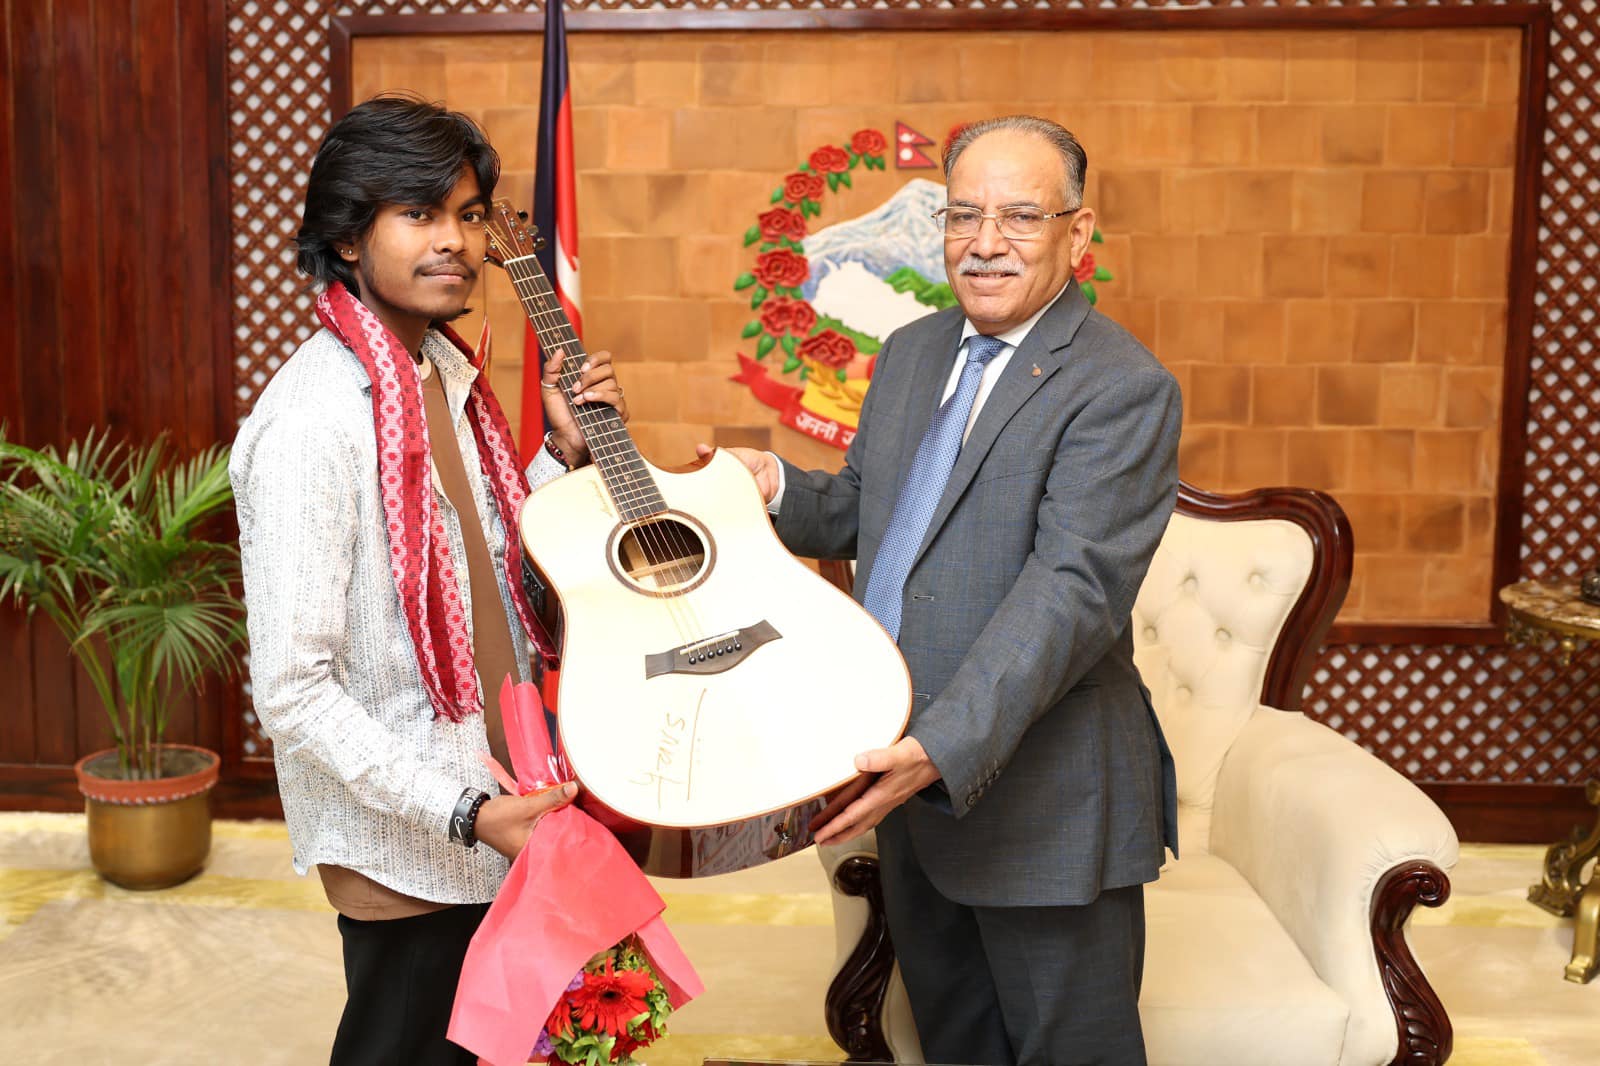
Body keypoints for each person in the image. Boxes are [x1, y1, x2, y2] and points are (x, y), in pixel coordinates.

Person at [710, 115, 1182, 1064]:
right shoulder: (914, 351)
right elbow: (871, 508)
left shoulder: (1122, 385)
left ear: (1078, 234)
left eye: (1020, 216)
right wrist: (775, 488)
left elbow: (1073, 592)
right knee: (951, 1044)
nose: (986, 242)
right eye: (964, 215)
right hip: (910, 794)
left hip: (1041, 805)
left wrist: (940, 747)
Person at [230, 94, 627, 1065]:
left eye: (469, 213)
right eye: (418, 213)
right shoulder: (312, 423)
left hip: (503, 790)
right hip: (414, 841)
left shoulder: (442, 374)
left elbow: (486, 567)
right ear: (346, 237)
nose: (455, 239)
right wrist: (465, 813)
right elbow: (293, 690)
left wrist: (562, 457)